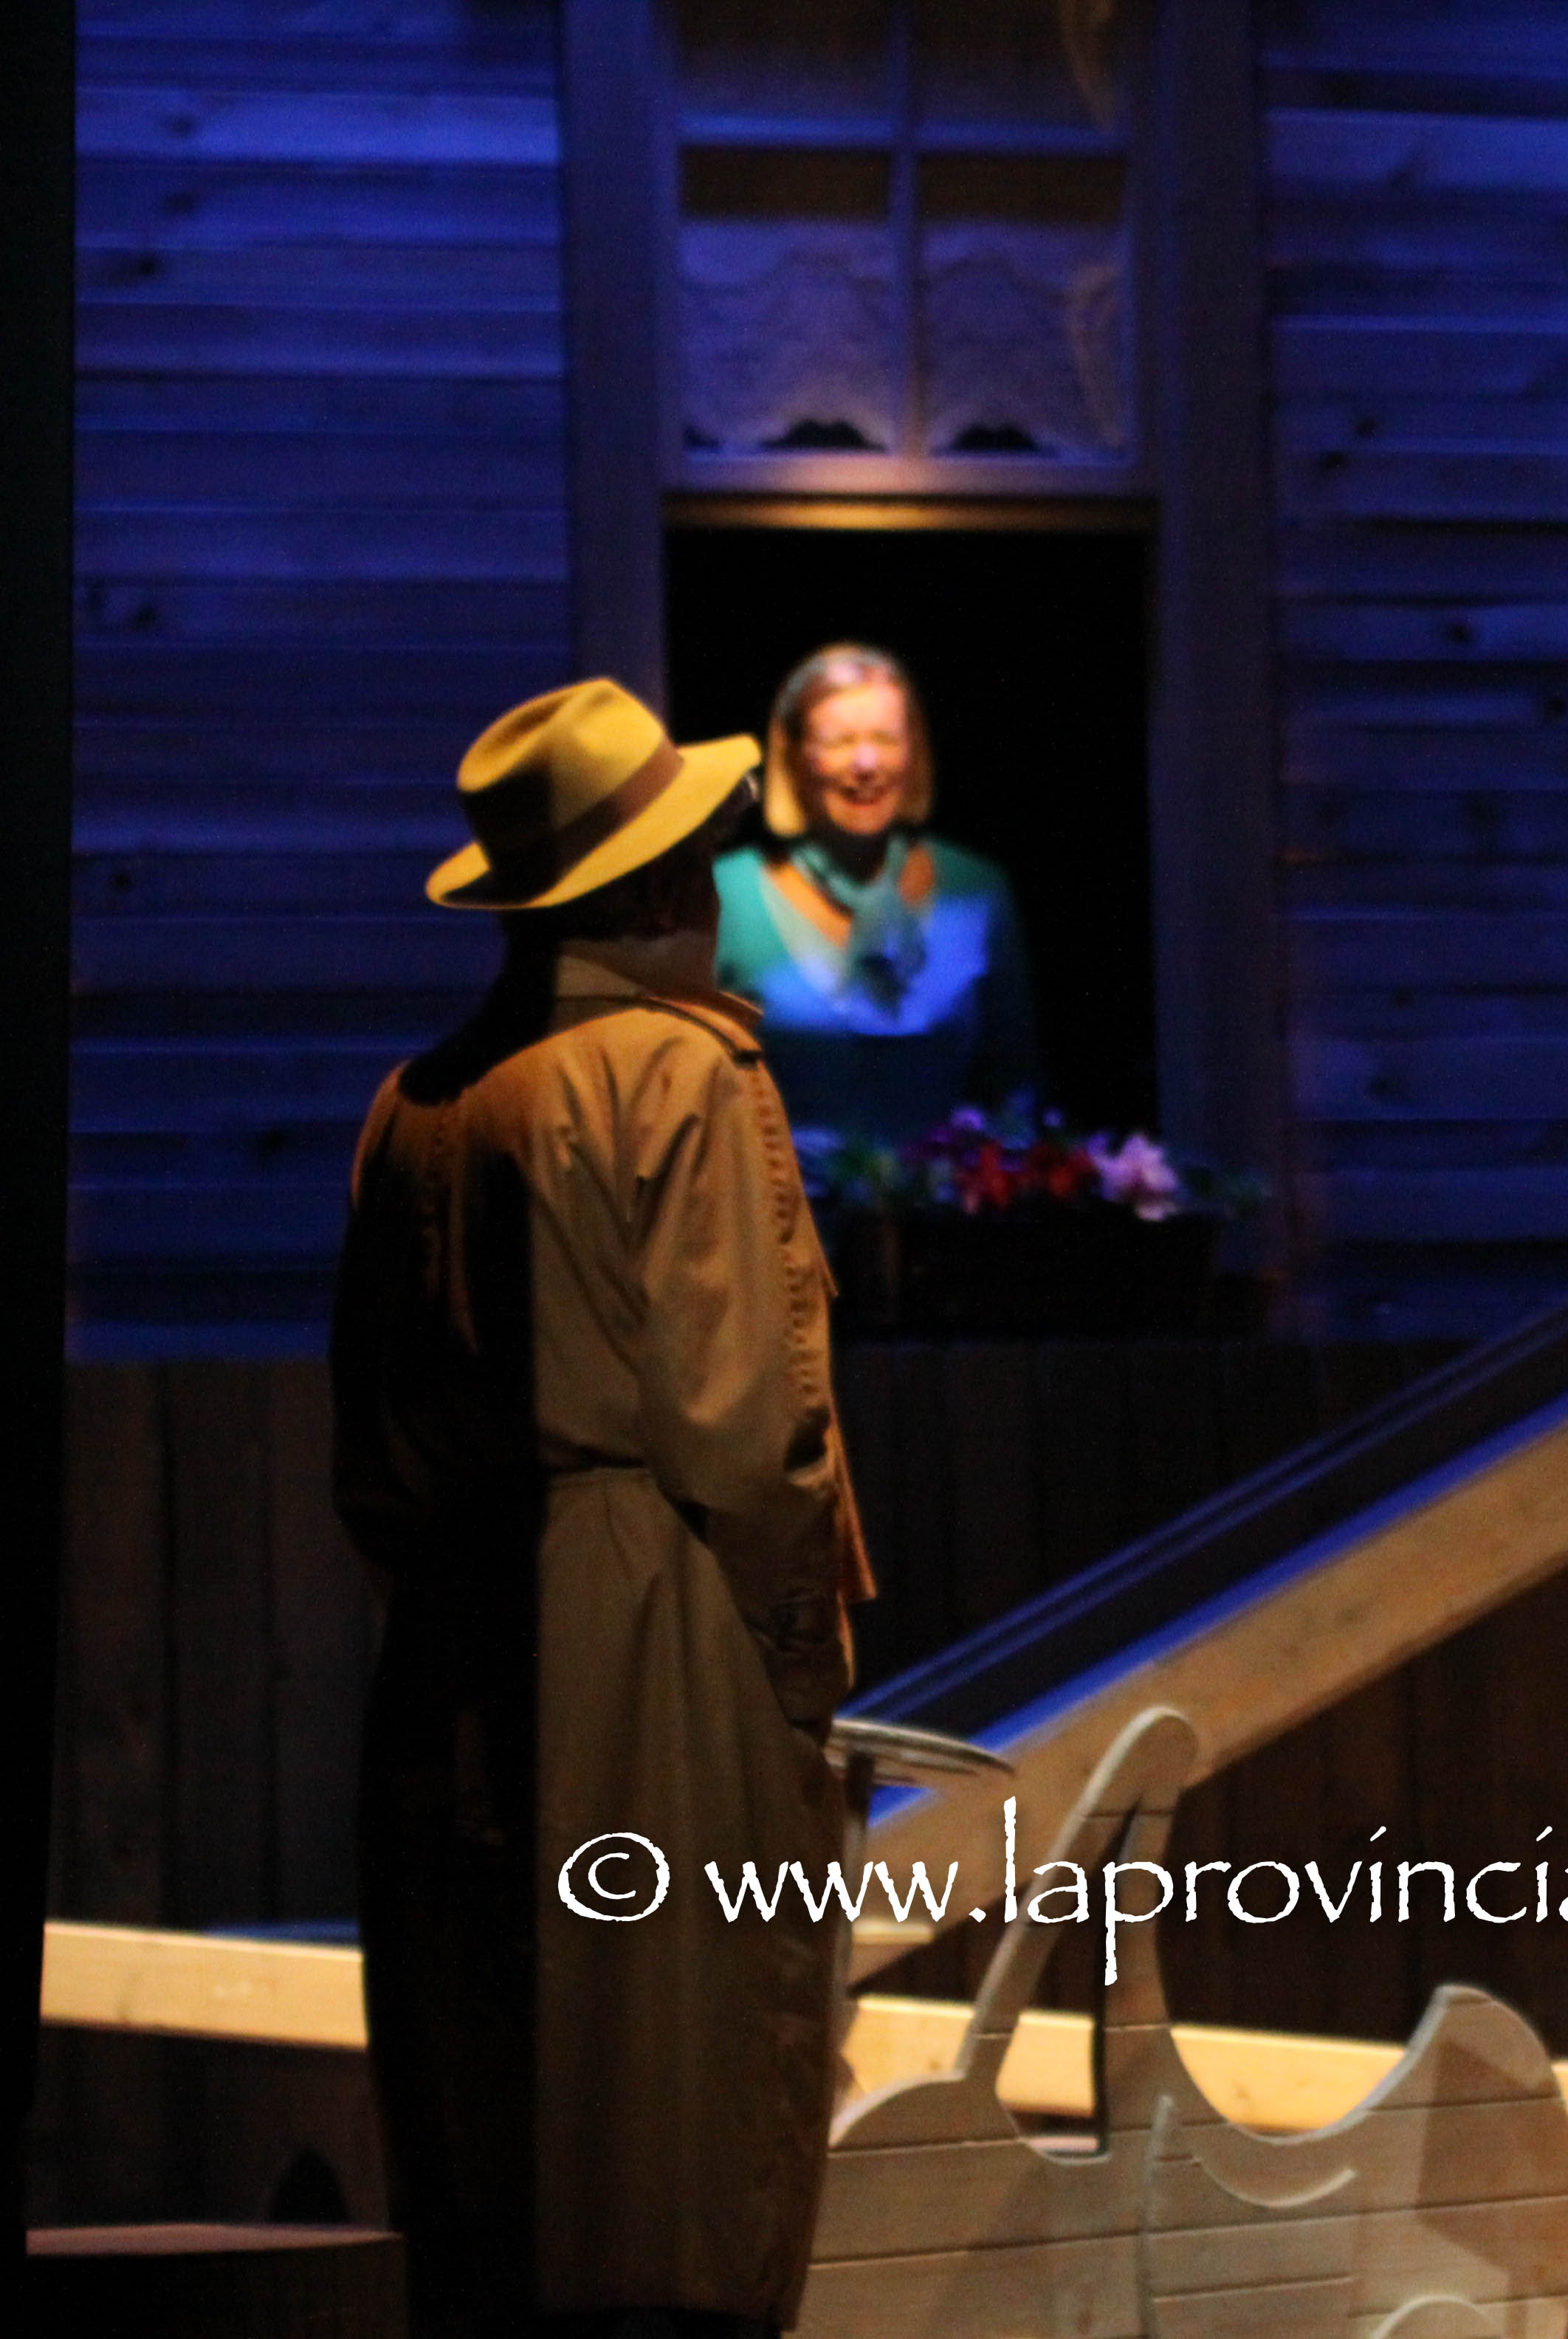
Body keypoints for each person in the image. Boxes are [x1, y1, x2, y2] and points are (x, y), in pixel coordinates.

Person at [333, 679, 876, 2338]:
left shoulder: (419, 1099)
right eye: (698, 857)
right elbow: (746, 1428)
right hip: (652, 1616)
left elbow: (372, 1457)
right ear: (653, 888)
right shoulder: (674, 1071)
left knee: (491, 2110)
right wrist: (801, 1662)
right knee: (673, 2119)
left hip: (457, 1638)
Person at [712, 641, 1039, 1147]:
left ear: (914, 751)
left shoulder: (976, 889)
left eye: (885, 738)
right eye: (840, 741)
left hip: (946, 1197)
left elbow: (1015, 1096)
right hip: (782, 1196)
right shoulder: (727, 894)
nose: (865, 762)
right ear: (795, 757)